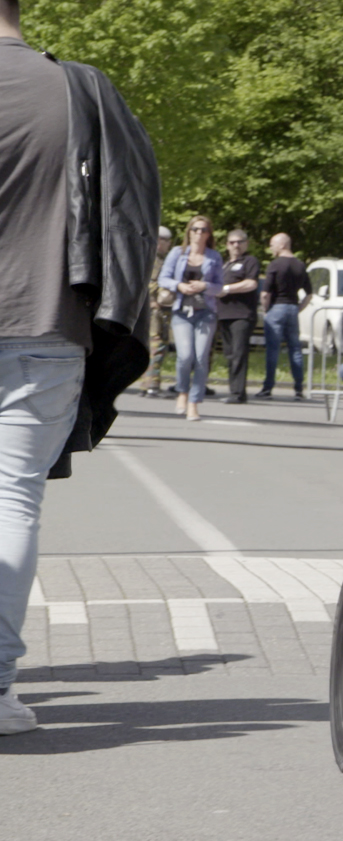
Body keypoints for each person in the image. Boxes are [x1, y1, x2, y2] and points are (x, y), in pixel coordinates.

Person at [1, 1, 159, 734]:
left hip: (42, 329)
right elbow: (129, 207)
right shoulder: (80, 90)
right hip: (47, 323)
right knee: (11, 503)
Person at [158, 216, 223, 421]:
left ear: (208, 234)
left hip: (206, 312)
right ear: (189, 231)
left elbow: (220, 287)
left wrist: (205, 286)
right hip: (181, 312)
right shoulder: (177, 253)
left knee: (201, 357)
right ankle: (182, 393)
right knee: (185, 356)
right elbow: (163, 278)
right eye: (195, 229)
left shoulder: (214, 256)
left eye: (203, 230)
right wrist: (179, 286)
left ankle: (194, 403)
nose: (198, 233)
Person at [257, 233, 311, 400]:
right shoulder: (300, 265)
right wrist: (299, 307)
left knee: (273, 349)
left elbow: (265, 293)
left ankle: (267, 387)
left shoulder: (275, 264)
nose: (271, 248)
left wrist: (266, 309)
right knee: (295, 349)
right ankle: (298, 389)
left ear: (282, 245)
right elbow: (309, 293)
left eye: (273, 244)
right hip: (292, 307)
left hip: (276, 308)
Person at [217, 229, 261, 404]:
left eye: (240, 242)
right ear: (227, 245)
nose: (236, 245)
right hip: (224, 315)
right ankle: (234, 390)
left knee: (238, 354)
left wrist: (227, 289)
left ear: (246, 244)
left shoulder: (249, 261)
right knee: (229, 354)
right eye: (232, 242)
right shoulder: (223, 265)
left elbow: (251, 283)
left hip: (242, 315)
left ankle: (237, 393)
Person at [142, 226, 173, 397]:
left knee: (153, 346)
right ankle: (152, 386)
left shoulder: (153, 257)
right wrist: (154, 300)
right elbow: (150, 284)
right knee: (157, 346)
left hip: (151, 310)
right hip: (155, 311)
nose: (168, 244)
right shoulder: (155, 260)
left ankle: (146, 385)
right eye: (166, 240)